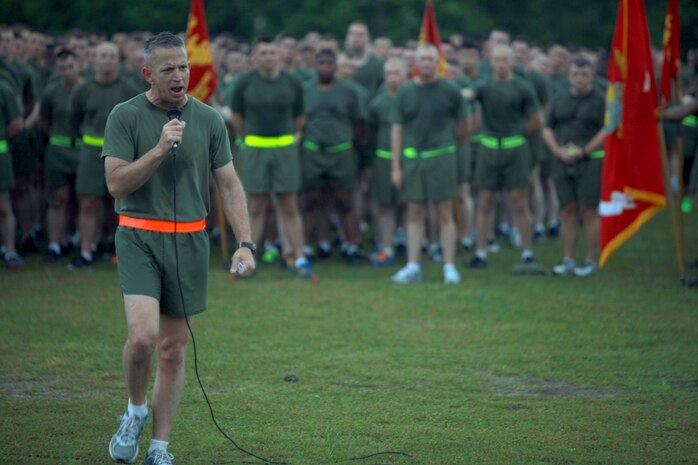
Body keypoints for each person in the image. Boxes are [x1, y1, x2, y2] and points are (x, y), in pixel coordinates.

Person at [103, 32, 255, 465]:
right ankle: (134, 412)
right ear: (148, 73)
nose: (179, 76)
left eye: (183, 67)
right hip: (138, 236)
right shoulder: (125, 116)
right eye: (168, 69)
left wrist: (245, 243)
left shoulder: (208, 119)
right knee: (143, 337)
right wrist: (158, 148)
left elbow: (228, 182)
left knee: (173, 349)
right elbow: (116, 183)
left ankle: (159, 448)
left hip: (190, 240)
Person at [231, 37, 315, 279]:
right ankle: (247, 261)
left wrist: (289, 139)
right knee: (255, 206)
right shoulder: (245, 82)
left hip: (285, 150)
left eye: (272, 52)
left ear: (278, 55)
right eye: (263, 53)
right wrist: (247, 138)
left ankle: (299, 258)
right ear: (256, 57)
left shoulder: (292, 83)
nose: (268, 57)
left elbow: (300, 118)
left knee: (289, 204)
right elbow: (237, 116)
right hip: (255, 150)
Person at [464, 44, 545, 274]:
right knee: (484, 201)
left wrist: (518, 134)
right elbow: (468, 94)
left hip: (515, 149)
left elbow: (535, 121)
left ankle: (527, 252)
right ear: (491, 62)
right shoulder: (485, 85)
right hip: (489, 149)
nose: (501, 64)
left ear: (512, 62)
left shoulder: (523, 87)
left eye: (505, 60)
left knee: (520, 201)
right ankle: (480, 251)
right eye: (497, 59)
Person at [390, 45, 468, 284]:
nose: (426, 63)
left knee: (444, 211)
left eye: (430, 59)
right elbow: (397, 129)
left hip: (441, 156)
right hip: (413, 159)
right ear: (415, 62)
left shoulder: (450, 90)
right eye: (421, 59)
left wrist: (448, 144)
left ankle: (449, 267)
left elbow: (464, 125)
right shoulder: (404, 92)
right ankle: (413, 266)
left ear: (438, 62)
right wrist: (396, 166)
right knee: (414, 212)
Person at [67, 41, 139, 269]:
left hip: (121, 153)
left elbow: (138, 121)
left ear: (118, 60)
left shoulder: (128, 90)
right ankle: (86, 251)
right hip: (90, 152)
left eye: (111, 56)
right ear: (94, 60)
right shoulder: (83, 89)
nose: (107, 60)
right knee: (88, 202)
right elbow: (73, 119)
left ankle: (122, 250)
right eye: (103, 56)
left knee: (121, 202)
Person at [543, 56, 606, 277]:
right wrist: (557, 151)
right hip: (562, 159)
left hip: (590, 159)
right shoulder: (559, 99)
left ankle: (590, 259)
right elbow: (547, 128)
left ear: (591, 76)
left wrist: (585, 150)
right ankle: (568, 258)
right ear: (569, 76)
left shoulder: (599, 100)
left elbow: (607, 129)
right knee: (567, 210)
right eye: (576, 74)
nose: (580, 79)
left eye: (585, 74)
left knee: (589, 210)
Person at [301, 48, 365, 265]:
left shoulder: (349, 91)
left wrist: (351, 146)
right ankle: (306, 248)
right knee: (312, 200)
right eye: (322, 63)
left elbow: (359, 123)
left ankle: (352, 246)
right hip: (313, 152)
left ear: (336, 66)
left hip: (341, 153)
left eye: (330, 63)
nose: (326, 67)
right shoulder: (305, 90)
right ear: (315, 65)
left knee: (345, 201)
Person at [39, 49, 82, 262]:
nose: (67, 72)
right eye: (62, 68)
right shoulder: (51, 92)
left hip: (83, 150)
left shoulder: (87, 89)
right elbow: (43, 122)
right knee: (58, 198)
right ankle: (55, 243)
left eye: (70, 67)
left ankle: (82, 242)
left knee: (84, 199)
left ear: (78, 66)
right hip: (58, 151)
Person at [367, 57, 408, 266]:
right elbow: (372, 129)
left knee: (411, 205)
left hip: (409, 157)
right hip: (384, 157)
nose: (393, 78)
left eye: (397, 73)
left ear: (406, 74)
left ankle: (411, 247)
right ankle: (386, 247)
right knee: (385, 205)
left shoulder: (412, 97)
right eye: (389, 73)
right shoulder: (379, 102)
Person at [0, 78, 24, 268]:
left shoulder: (4, 88)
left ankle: (10, 250)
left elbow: (16, 123)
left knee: (4, 205)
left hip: (1, 155)